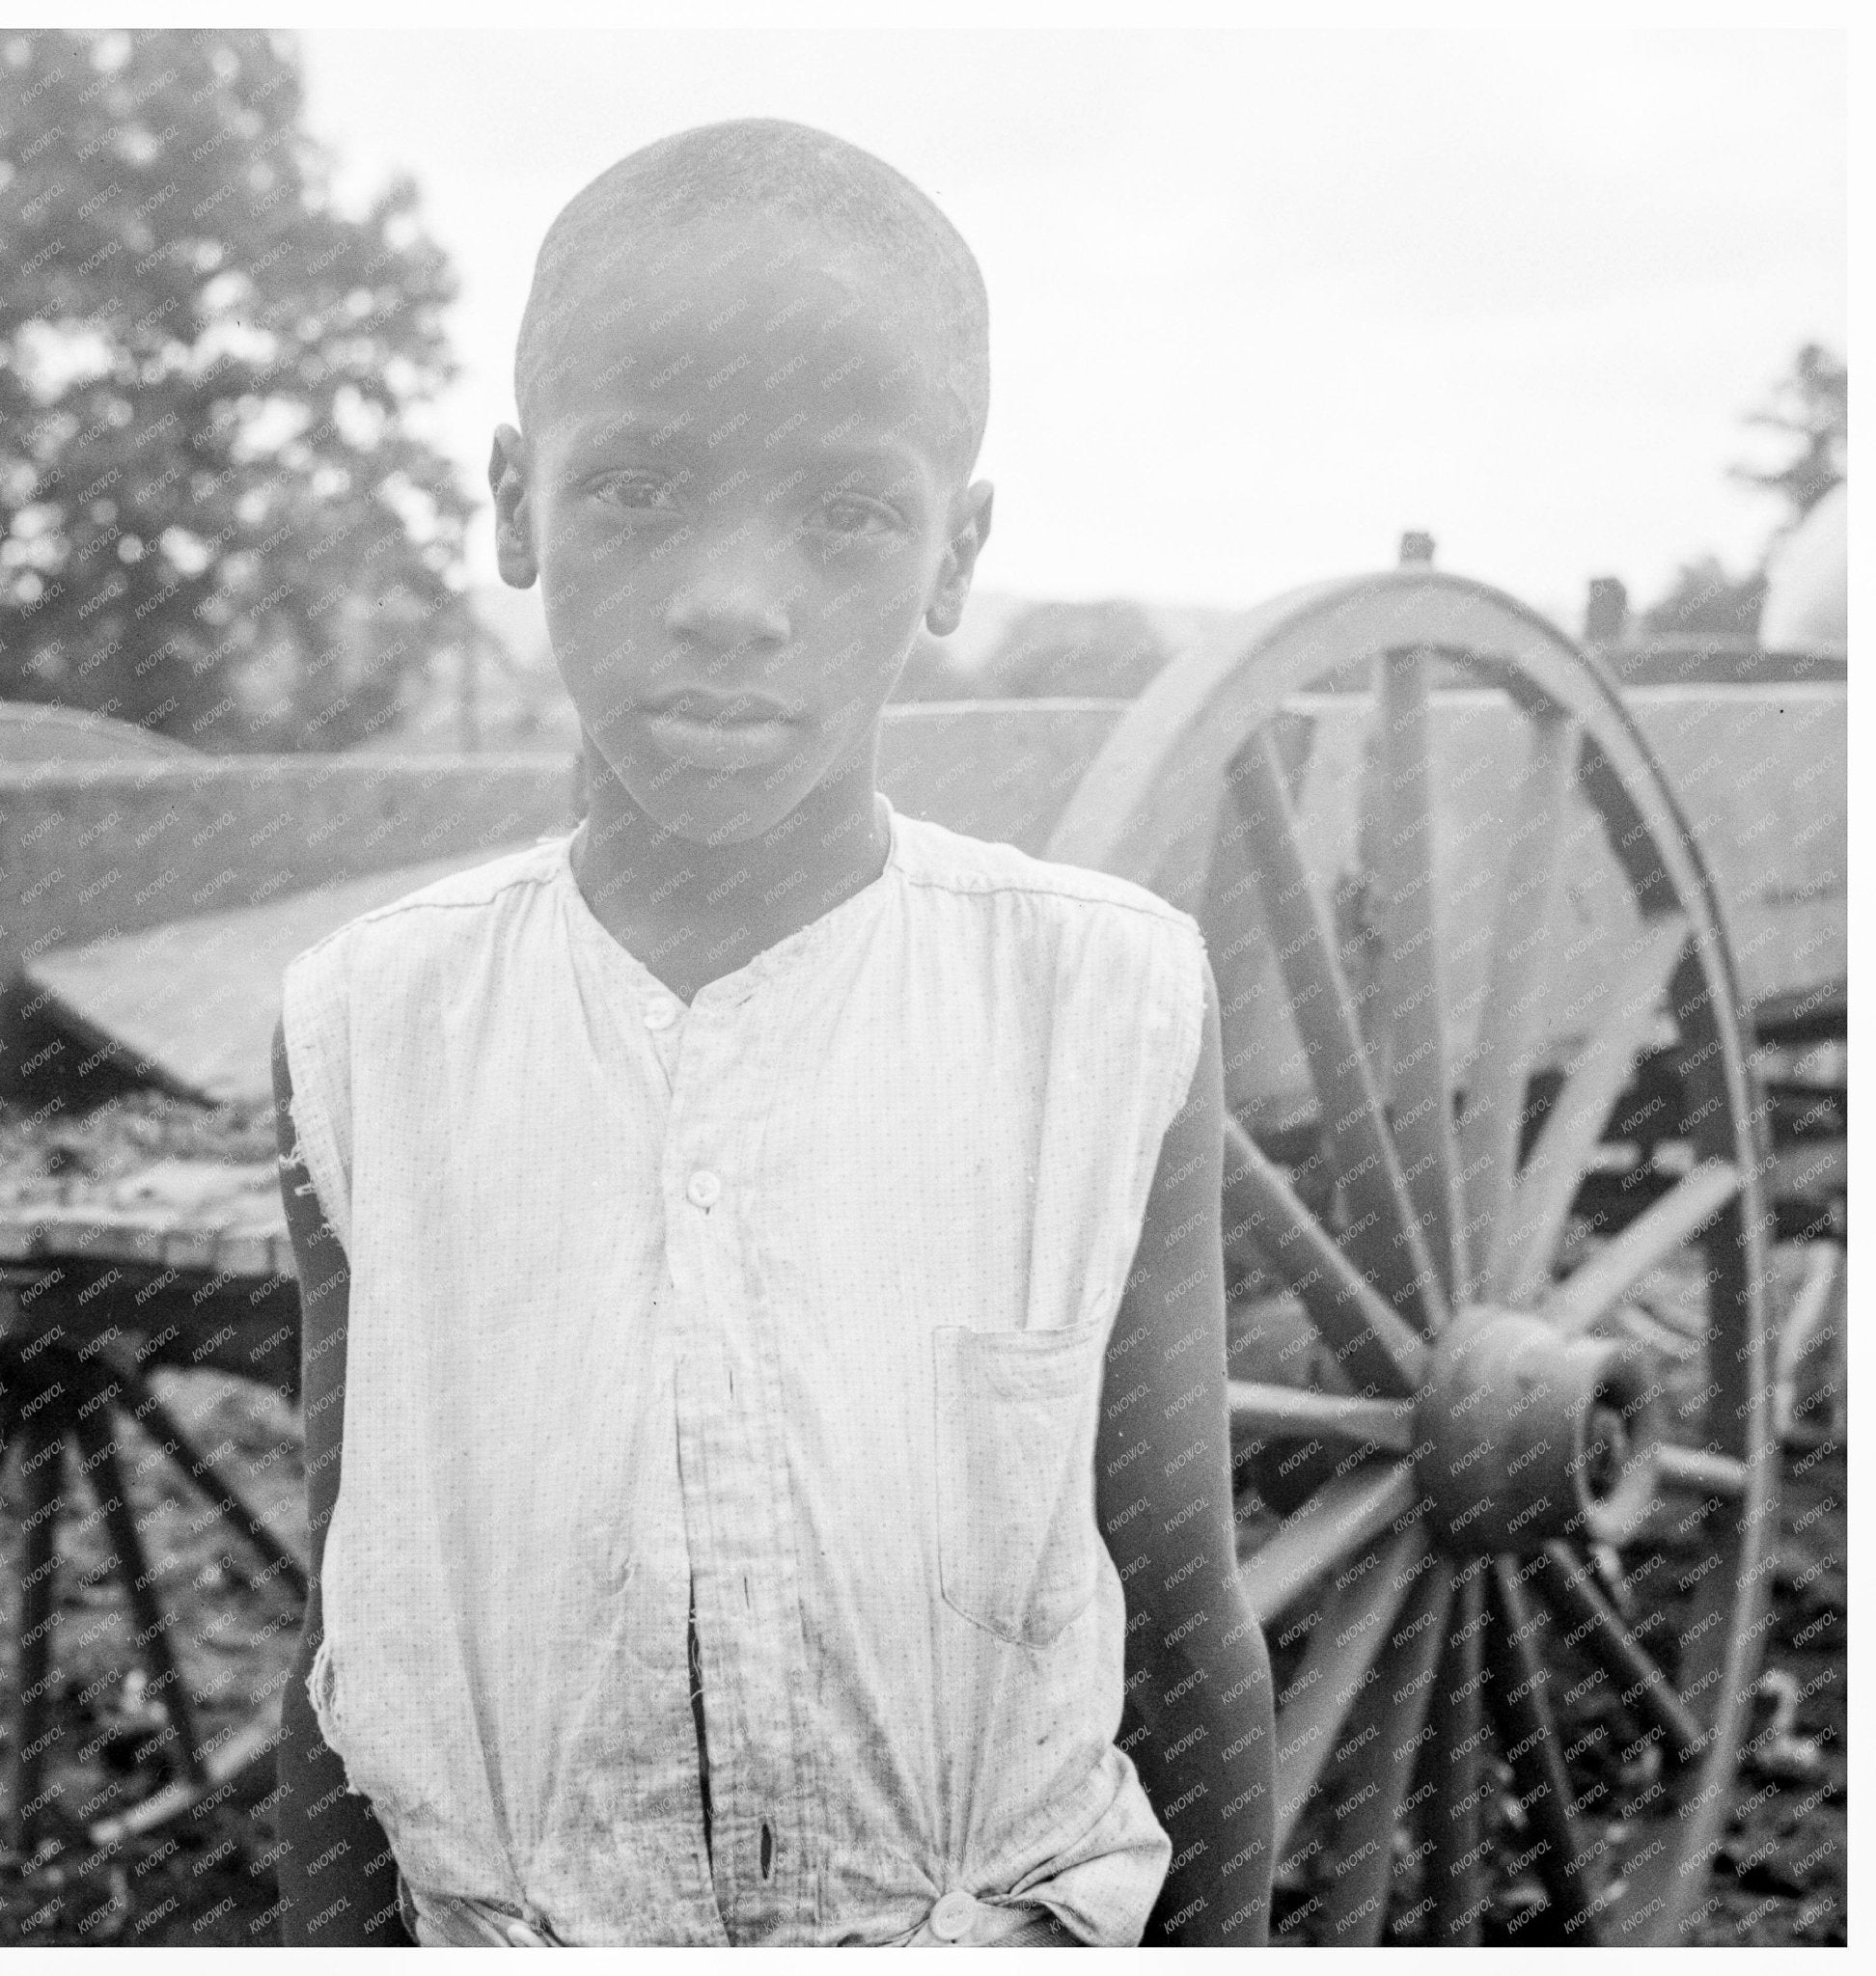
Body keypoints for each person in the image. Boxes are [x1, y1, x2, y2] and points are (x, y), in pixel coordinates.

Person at [270, 117, 1273, 1948]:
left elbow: (1188, 1615)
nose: (734, 598)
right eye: (642, 486)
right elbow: (347, 1639)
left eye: (848, 509)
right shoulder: (367, 1032)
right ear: (515, 504)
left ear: (957, 550)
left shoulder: (1104, 1011)